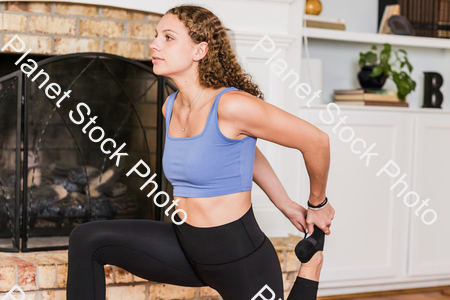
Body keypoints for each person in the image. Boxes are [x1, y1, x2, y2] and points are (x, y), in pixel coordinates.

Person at [66, 4, 335, 300]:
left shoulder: (231, 105)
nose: (154, 44)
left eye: (168, 37)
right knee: (87, 239)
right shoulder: (171, 106)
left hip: (238, 258)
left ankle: (311, 270)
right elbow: (236, 150)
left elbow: (316, 141)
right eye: (156, 36)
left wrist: (317, 204)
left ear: (199, 50)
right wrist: (283, 202)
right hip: (186, 246)